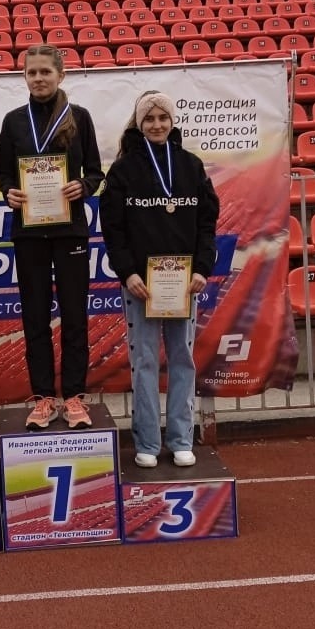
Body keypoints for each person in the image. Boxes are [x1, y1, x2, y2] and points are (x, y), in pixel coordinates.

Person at [99, 91, 219, 468]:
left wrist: (201, 269)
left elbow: (207, 224)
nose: (156, 125)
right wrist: (128, 273)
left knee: (183, 359)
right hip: (141, 285)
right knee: (145, 362)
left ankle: (181, 438)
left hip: (184, 284)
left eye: (162, 118)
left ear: (172, 121)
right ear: (139, 124)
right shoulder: (122, 171)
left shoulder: (191, 166)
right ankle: (148, 442)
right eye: (149, 119)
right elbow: (113, 229)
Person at [0, 44, 104, 431]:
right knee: (35, 317)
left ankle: (74, 397)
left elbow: (95, 171)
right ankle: (43, 398)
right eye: (32, 72)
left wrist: (83, 187)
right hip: (29, 233)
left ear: (61, 75)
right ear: (24, 76)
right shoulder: (13, 121)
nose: (38, 78)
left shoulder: (80, 117)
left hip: (70, 230)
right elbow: (5, 174)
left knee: (74, 316)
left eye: (45, 71)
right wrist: (9, 192)